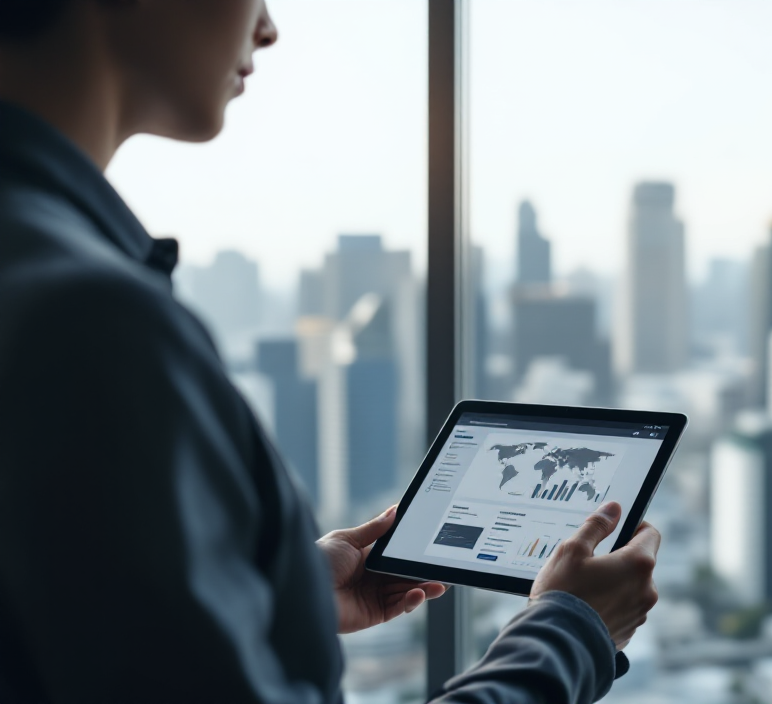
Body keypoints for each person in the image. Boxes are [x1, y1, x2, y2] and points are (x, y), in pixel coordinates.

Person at [0, 1, 660, 702]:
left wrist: (280, 597)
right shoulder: (91, 320)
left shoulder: (37, 266)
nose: (268, 26)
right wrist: (573, 632)